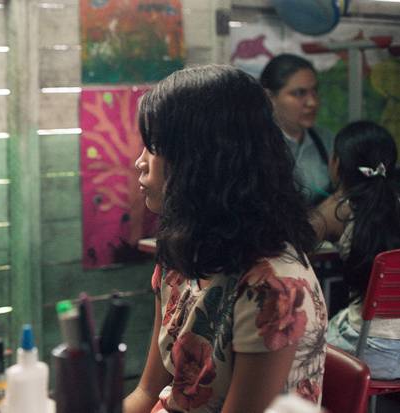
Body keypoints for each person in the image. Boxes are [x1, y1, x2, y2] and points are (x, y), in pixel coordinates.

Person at [123, 65, 327, 413]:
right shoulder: (180, 257)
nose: (139, 162)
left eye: (154, 147)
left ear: (204, 160)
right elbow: (147, 392)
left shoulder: (274, 289)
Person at [312, 120, 400, 380]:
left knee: (301, 347)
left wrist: (329, 202)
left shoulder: (338, 212)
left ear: (336, 165)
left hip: (368, 354)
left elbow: (295, 246)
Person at [260, 54, 334, 205]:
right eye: (299, 93)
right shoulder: (255, 147)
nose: (312, 102)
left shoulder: (326, 140)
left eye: (314, 91)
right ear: (269, 98)